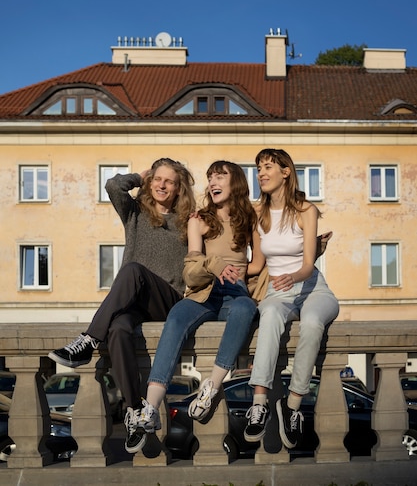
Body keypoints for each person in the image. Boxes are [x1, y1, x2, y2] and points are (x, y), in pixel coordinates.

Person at [48, 157, 196, 452]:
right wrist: (139, 177)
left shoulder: (187, 221)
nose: (162, 185)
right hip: (134, 301)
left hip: (167, 299)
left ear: (179, 188)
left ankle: (89, 339)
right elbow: (113, 186)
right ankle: (134, 411)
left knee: (131, 270)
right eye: (158, 179)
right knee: (117, 328)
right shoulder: (135, 213)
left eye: (169, 181)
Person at [126, 160, 262, 453]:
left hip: (235, 292)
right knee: (175, 318)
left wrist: (239, 272)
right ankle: (149, 408)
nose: (213, 181)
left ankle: (210, 387)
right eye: (210, 176)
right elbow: (190, 271)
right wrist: (214, 266)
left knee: (244, 310)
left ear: (235, 182)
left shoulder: (249, 218)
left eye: (220, 176)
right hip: (202, 292)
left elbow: (260, 262)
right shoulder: (198, 219)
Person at [243, 148, 339, 450]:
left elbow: (309, 263)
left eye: (268, 166)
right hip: (278, 292)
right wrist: (227, 272)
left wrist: (294, 277)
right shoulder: (258, 215)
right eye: (258, 168)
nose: (261, 173)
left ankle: (293, 406)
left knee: (311, 322)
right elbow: (258, 263)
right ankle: (259, 404)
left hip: (312, 287)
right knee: (269, 315)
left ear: (286, 172)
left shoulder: (306, 211)